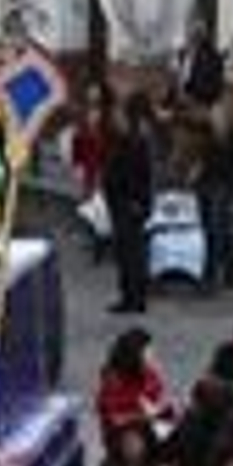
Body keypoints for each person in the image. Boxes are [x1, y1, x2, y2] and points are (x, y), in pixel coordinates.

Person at [102, 94, 155, 316]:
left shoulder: (134, 142)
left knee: (131, 253)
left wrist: (137, 201)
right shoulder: (124, 140)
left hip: (129, 204)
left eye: (119, 115)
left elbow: (137, 176)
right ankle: (130, 295)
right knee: (126, 252)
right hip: (121, 202)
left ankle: (134, 298)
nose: (115, 119)